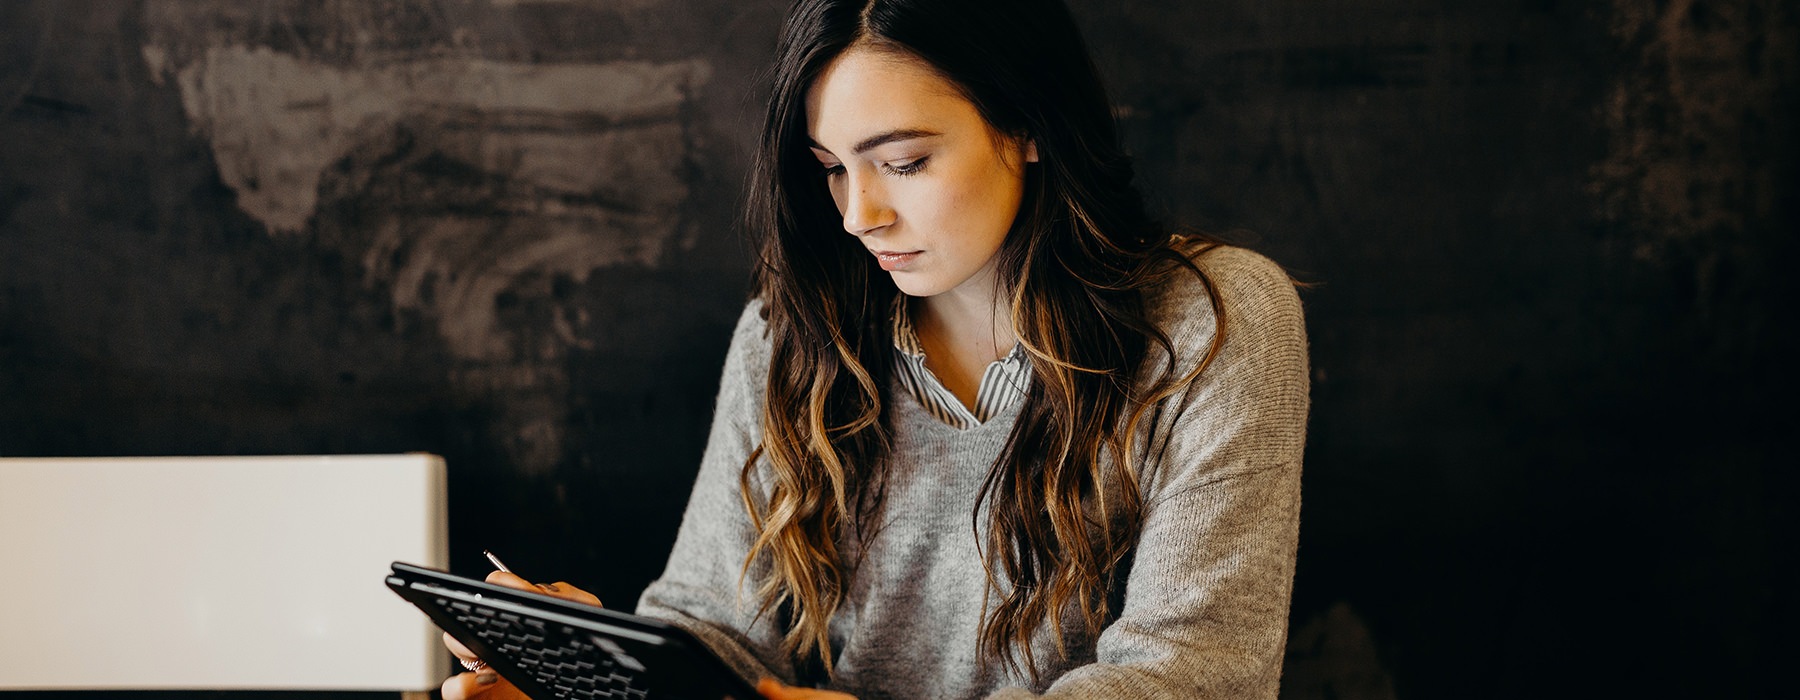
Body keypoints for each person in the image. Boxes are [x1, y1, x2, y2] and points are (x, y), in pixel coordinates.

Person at [443, 0, 1309, 697]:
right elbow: (723, 633)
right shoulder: (787, 336)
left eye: (901, 162)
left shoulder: (1211, 322)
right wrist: (605, 664)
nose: (859, 216)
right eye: (831, 168)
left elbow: (1200, 673)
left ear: (1029, 126)